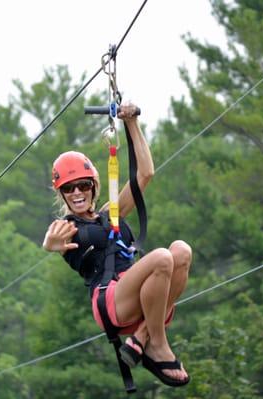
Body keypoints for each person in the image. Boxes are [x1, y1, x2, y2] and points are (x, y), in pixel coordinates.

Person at [42, 103, 191, 386]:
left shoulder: (111, 213)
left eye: (83, 185)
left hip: (142, 295)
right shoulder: (68, 228)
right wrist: (51, 244)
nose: (77, 193)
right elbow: (51, 240)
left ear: (94, 186)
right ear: (60, 194)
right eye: (69, 188)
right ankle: (157, 344)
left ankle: (143, 336)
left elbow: (145, 174)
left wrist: (131, 123)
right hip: (110, 300)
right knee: (161, 258)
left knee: (181, 251)